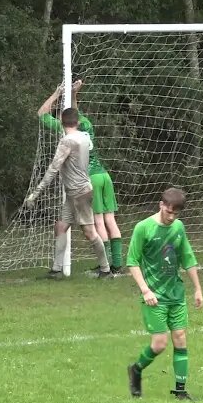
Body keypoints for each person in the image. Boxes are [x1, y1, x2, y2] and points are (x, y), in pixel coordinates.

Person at [36, 80, 123, 274]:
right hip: (103, 174)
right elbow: (75, 112)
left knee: (97, 223)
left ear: (62, 120)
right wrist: (74, 94)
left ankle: (106, 267)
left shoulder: (66, 134)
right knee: (110, 220)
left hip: (87, 179)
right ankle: (116, 264)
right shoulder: (87, 125)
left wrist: (58, 93)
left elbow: (42, 114)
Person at [125, 187, 203, 401]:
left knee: (180, 338)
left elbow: (187, 258)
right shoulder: (143, 228)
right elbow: (132, 261)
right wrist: (145, 290)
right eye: (168, 212)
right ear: (161, 205)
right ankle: (136, 369)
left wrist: (197, 288)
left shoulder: (178, 227)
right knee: (159, 344)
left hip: (176, 295)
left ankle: (180, 390)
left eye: (175, 214)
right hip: (154, 298)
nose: (171, 217)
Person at [23, 108, 112, 279]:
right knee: (61, 227)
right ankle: (56, 271)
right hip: (76, 192)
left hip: (79, 193)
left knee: (89, 232)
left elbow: (53, 169)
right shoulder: (83, 137)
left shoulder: (67, 141)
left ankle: (106, 270)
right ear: (77, 122)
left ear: (61, 122)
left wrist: (36, 193)